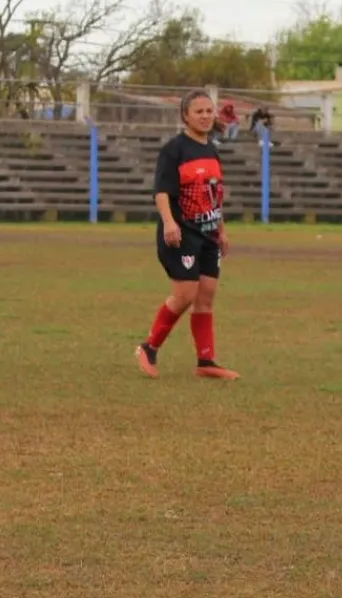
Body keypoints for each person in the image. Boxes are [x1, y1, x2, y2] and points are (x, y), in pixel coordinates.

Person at [135, 90, 239, 381]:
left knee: (206, 297)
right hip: (181, 234)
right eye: (199, 111)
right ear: (185, 116)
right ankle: (148, 347)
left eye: (209, 111)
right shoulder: (174, 150)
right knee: (185, 295)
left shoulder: (211, 150)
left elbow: (214, 195)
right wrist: (169, 223)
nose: (205, 116)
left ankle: (206, 361)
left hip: (208, 235)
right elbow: (161, 192)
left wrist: (221, 229)